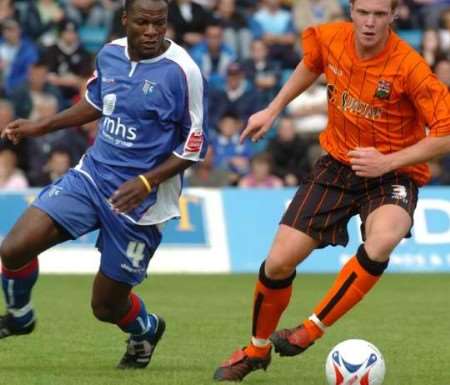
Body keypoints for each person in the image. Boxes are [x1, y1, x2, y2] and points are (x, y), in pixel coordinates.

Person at [213, 0, 450, 381]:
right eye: (363, 13)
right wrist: (273, 109)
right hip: (337, 166)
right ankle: (256, 350)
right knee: (277, 263)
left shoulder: (410, 68)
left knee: (382, 239)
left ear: (393, 16)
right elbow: (311, 64)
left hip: (393, 173)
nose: (370, 23)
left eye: (378, 14)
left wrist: (386, 163)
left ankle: (311, 329)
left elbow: (446, 133)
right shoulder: (330, 38)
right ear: (352, 11)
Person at [0, 0, 207, 370]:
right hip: (92, 176)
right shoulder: (110, 54)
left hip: (140, 204)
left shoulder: (183, 71)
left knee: (105, 307)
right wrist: (40, 126)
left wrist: (146, 181)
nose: (151, 31)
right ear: (125, 19)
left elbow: (194, 147)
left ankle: (146, 329)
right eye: (143, 22)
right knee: (13, 248)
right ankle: (19, 317)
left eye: (159, 23)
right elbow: (95, 103)